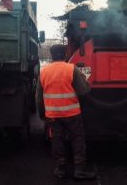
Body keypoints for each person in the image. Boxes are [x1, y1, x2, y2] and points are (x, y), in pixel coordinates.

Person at [36, 44, 96, 180]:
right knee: (78, 140)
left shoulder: (44, 72)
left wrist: (42, 114)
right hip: (72, 114)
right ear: (65, 55)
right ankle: (80, 171)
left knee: (57, 141)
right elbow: (84, 91)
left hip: (53, 116)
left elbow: (38, 98)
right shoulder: (71, 69)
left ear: (52, 56)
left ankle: (60, 170)